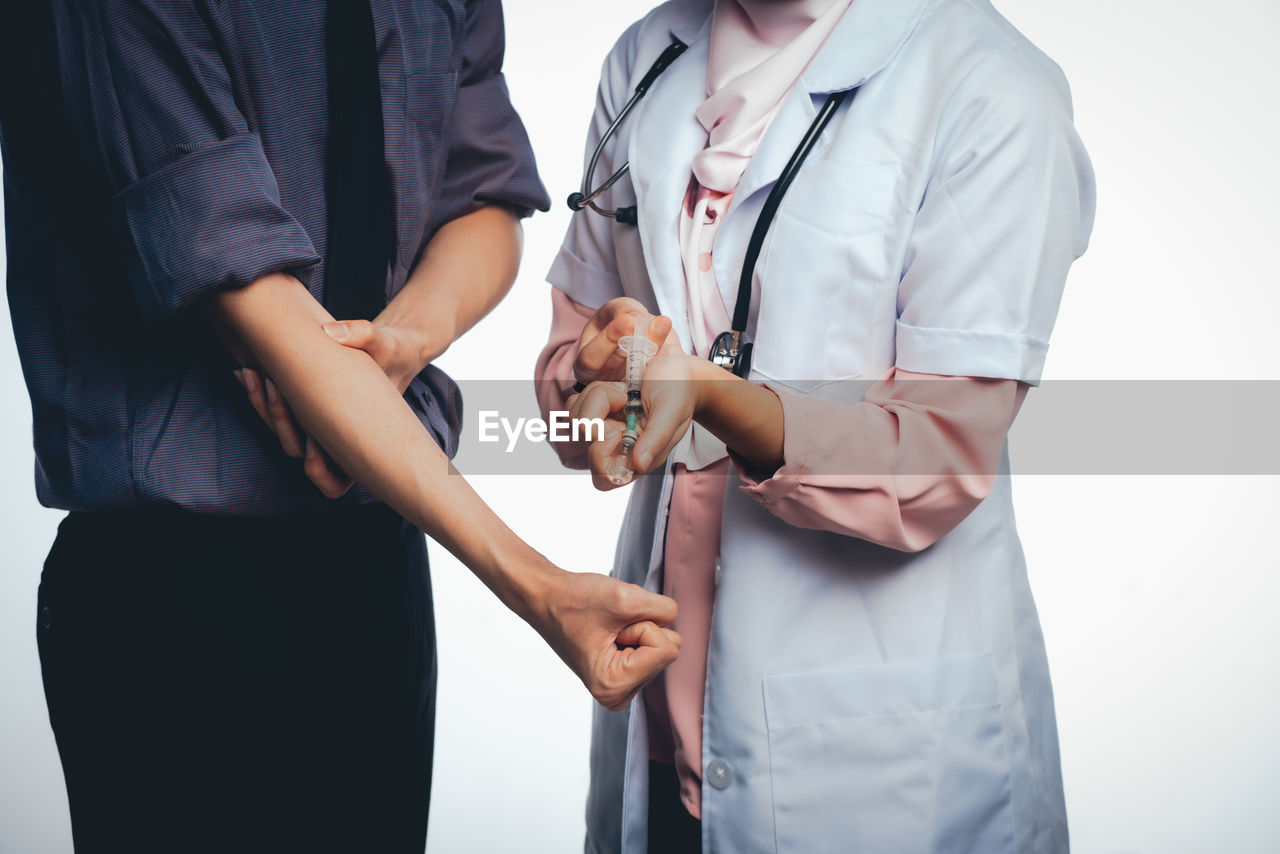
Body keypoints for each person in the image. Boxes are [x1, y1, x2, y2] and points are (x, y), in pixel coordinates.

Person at [0, 1, 680, 851]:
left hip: (376, 559)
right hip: (171, 592)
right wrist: (539, 589)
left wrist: (399, 342)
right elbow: (244, 286)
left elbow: (485, 201)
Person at [534, 0, 1096, 851]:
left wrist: (715, 398)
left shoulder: (993, 88)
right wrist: (593, 389)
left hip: (876, 750)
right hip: (654, 708)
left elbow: (937, 461)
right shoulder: (646, 56)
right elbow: (570, 371)